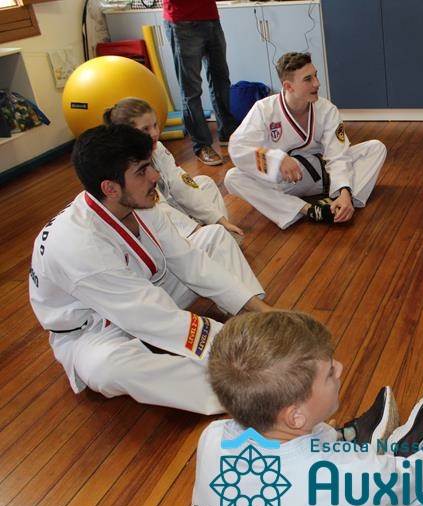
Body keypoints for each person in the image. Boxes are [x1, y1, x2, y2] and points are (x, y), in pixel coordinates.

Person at [193, 311, 423, 506]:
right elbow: (415, 479)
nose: (340, 368)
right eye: (328, 372)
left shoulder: (214, 436)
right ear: (295, 415)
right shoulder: (347, 482)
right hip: (358, 488)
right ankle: (404, 446)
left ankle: (354, 442)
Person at [28, 124, 271, 415]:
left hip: (141, 290)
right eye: (142, 171)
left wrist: (265, 313)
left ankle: (259, 324)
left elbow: (189, 261)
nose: (155, 176)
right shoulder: (78, 246)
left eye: (151, 165)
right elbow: (151, 314)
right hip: (94, 330)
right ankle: (249, 392)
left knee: (213, 239)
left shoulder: (137, 203)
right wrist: (247, 352)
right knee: (108, 368)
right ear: (110, 188)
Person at [225, 52, 387, 230]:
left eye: (315, 75)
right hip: (285, 182)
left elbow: (338, 155)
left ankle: (341, 202)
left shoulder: (326, 110)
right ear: (288, 86)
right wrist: (277, 159)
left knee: (375, 148)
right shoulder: (264, 110)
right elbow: (238, 148)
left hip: (324, 176)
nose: (317, 83)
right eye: (308, 79)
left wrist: (344, 191)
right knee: (233, 177)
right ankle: (307, 210)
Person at [103, 98, 244, 243]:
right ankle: (211, 239)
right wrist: (198, 230)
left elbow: (181, 185)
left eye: (155, 125)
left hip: (170, 209)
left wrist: (220, 221)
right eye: (145, 129)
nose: (154, 133)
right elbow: (157, 208)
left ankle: (221, 234)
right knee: (167, 214)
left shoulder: (158, 149)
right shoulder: (130, 166)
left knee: (204, 183)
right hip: (154, 224)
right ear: (128, 134)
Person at [162, 0, 239, 166]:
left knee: (221, 81)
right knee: (191, 90)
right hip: (182, 22)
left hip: (211, 18)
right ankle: (202, 145)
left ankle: (227, 132)